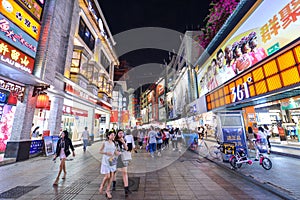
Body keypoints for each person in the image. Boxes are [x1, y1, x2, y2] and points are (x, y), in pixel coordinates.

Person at [112, 129, 131, 196]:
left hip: (123, 158)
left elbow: (126, 149)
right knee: (114, 172)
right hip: (115, 158)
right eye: (120, 133)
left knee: (125, 173)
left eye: (122, 133)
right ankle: (114, 184)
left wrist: (123, 142)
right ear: (117, 134)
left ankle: (126, 188)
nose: (121, 134)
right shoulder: (114, 141)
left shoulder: (124, 140)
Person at [99, 131, 118, 199]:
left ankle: (108, 190)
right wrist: (106, 152)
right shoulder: (105, 143)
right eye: (112, 135)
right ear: (108, 136)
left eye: (114, 135)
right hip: (106, 161)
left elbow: (115, 152)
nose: (113, 136)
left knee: (112, 176)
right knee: (107, 176)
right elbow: (100, 151)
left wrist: (119, 153)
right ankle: (102, 186)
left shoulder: (114, 143)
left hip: (112, 160)